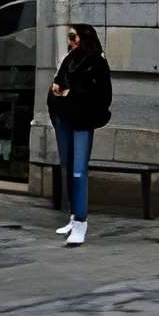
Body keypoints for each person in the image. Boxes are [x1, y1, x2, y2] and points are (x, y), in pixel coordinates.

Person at [48, 22, 112, 246]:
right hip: (64, 117)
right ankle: (74, 216)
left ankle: (81, 222)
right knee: (68, 165)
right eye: (69, 37)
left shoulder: (97, 61)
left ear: (84, 37)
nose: (70, 41)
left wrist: (71, 93)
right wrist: (58, 92)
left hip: (83, 120)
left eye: (74, 37)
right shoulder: (69, 59)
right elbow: (58, 83)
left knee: (78, 170)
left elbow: (103, 95)